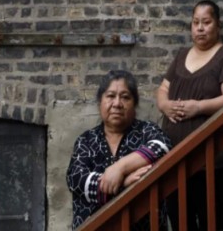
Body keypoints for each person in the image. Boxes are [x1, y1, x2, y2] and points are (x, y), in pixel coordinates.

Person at [157, 0, 223, 231]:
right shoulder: (181, 55)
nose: (200, 28)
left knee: (209, 220)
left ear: (217, 25)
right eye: (195, 22)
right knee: (178, 220)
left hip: (212, 160)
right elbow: (163, 89)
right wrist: (165, 105)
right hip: (174, 157)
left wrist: (198, 107)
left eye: (206, 22)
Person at [66, 70, 172, 230]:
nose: (117, 103)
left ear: (134, 104)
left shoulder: (146, 131)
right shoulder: (86, 141)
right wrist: (124, 183)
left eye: (125, 97)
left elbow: (162, 146)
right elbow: (77, 180)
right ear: (100, 102)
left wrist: (120, 168)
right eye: (110, 96)